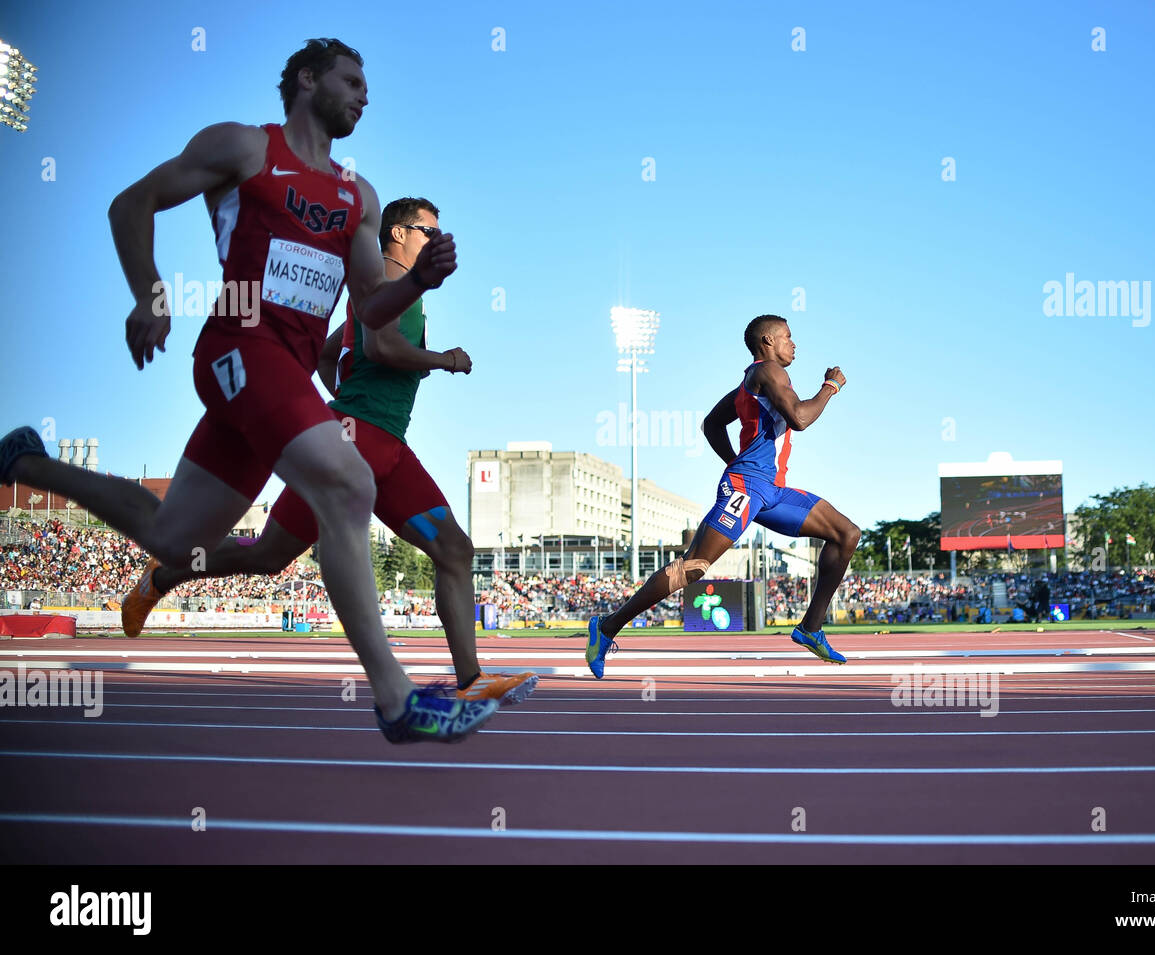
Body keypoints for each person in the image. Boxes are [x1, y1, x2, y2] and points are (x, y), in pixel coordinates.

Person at [0, 39, 495, 743]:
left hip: (283, 376)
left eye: (368, 87)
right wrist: (150, 294)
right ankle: (395, 698)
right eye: (352, 80)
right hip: (237, 346)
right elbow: (130, 202)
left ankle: (25, 462)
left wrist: (416, 282)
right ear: (306, 79)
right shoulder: (245, 148)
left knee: (171, 537)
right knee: (349, 482)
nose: (364, 95)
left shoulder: (359, 196)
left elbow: (368, 307)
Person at [122, 200, 538, 706]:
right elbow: (384, 349)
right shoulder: (387, 285)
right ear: (399, 234)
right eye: (430, 232)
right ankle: (167, 572)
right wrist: (445, 360)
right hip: (353, 444)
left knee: (454, 550)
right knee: (269, 556)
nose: (438, 240)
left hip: (387, 447)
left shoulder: (392, 291)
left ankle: (471, 681)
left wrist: (343, 393)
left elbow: (328, 352)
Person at [584, 314, 860, 677]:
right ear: (767, 341)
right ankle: (606, 627)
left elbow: (712, 423)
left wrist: (736, 460)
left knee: (847, 534)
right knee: (694, 567)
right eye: (788, 337)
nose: (794, 344)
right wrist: (830, 386)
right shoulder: (769, 373)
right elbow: (800, 418)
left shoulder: (751, 383)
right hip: (748, 487)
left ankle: (810, 627)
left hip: (772, 491)